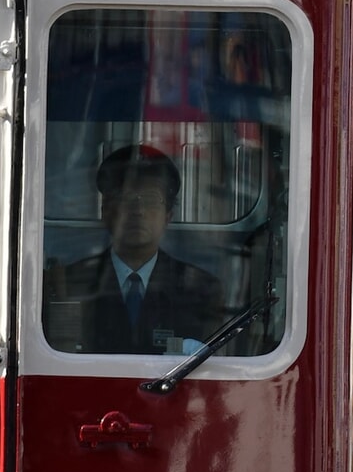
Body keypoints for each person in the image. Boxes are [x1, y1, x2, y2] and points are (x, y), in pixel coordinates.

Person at [43, 143, 224, 356]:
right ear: (105, 211)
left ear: (168, 216)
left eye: (150, 199)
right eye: (125, 199)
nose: (137, 211)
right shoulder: (72, 284)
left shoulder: (200, 290)